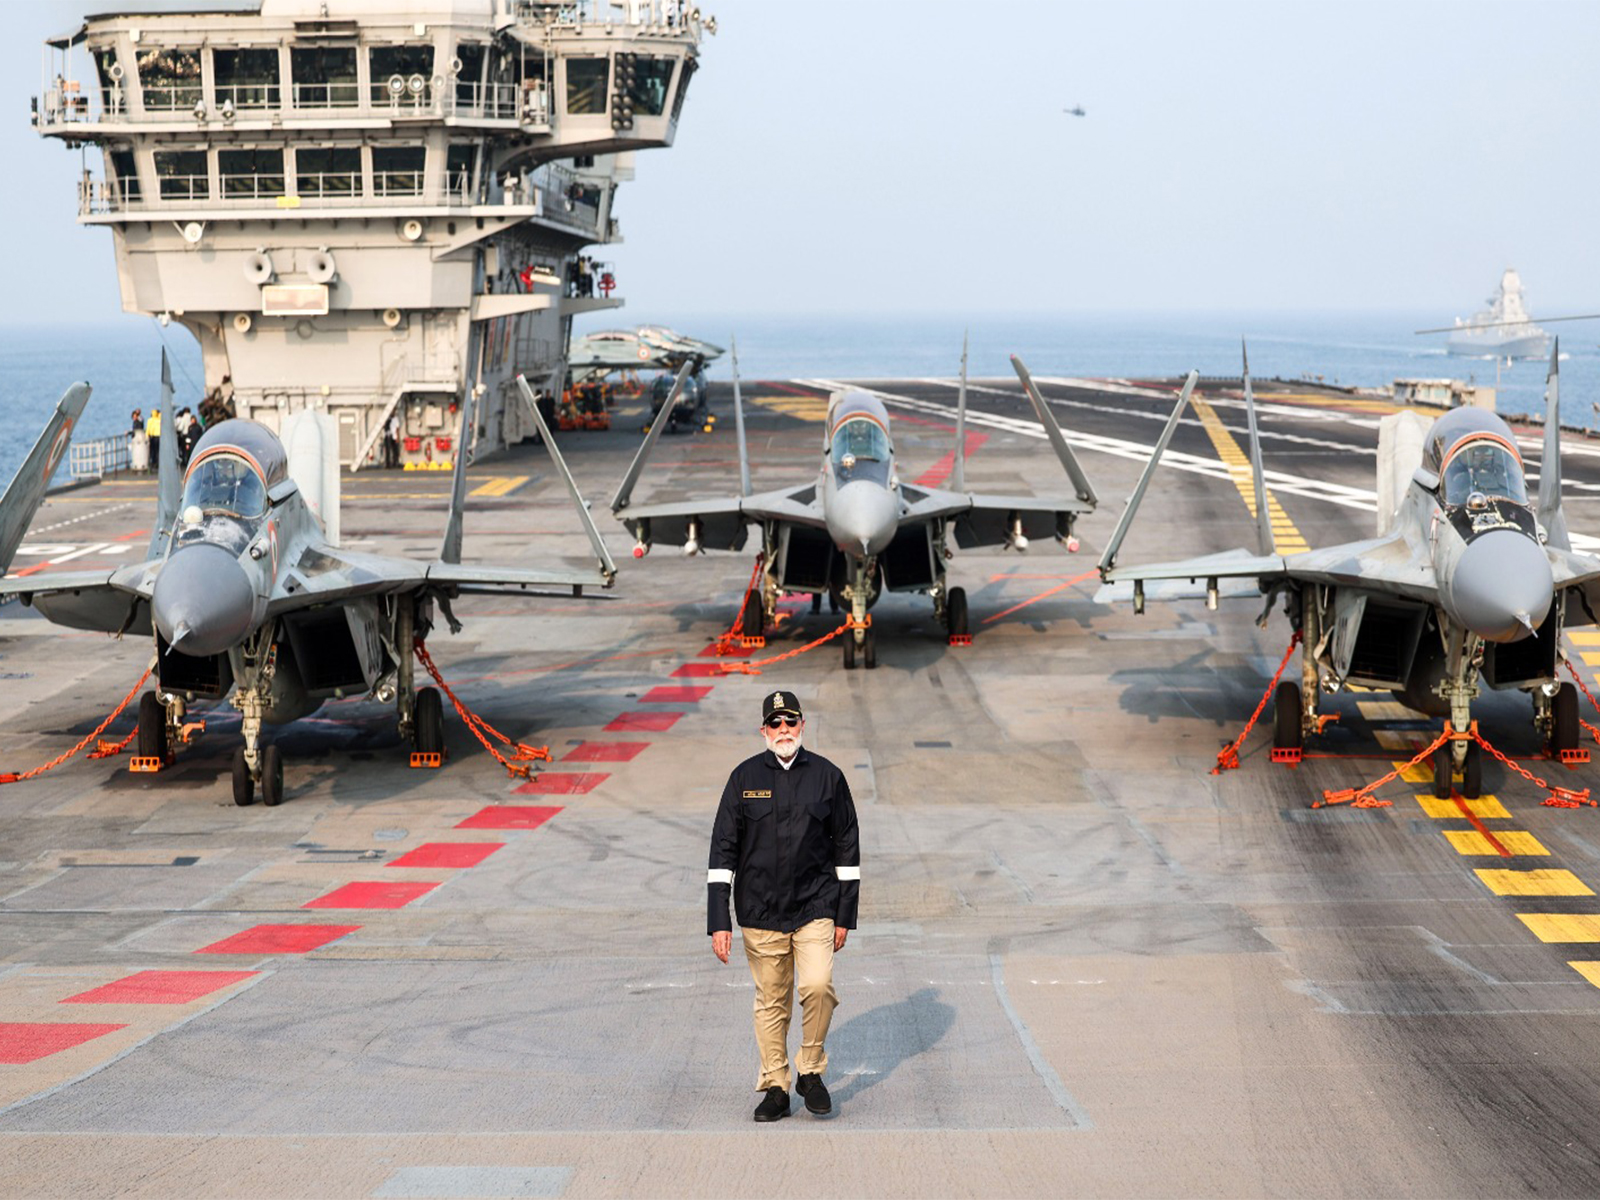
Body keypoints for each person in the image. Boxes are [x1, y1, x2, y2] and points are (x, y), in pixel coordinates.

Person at [708, 690, 860, 1123]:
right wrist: (719, 920)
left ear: (802, 725)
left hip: (816, 906)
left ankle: (810, 1071)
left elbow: (847, 848)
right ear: (763, 730)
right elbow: (723, 851)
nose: (783, 730)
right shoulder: (743, 779)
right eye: (775, 723)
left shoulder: (828, 778)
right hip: (760, 911)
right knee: (772, 1001)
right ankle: (776, 1086)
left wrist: (844, 915)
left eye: (790, 721)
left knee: (818, 986)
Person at [145, 407, 162, 472]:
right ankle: (158, 462)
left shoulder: (150, 420)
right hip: (160, 436)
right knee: (158, 451)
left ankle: (153, 463)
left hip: (153, 437)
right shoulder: (160, 420)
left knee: (152, 451)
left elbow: (148, 429)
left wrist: (147, 436)